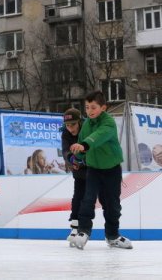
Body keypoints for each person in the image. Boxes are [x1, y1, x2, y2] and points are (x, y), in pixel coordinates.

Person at [69, 90, 132, 250]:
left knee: (112, 204)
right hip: (94, 170)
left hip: (112, 170)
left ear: (103, 108)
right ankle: (83, 231)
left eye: (93, 107)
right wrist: (77, 158)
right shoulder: (86, 125)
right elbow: (82, 145)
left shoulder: (109, 123)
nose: (89, 111)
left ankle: (112, 236)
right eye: (87, 107)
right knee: (87, 199)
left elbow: (98, 136)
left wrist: (84, 145)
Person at [60, 108, 86, 246]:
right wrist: (71, 159)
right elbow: (65, 150)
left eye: (73, 125)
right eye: (68, 125)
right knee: (78, 197)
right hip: (79, 170)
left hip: (95, 169)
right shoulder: (65, 133)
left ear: (80, 122)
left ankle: (111, 233)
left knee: (98, 199)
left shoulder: (87, 128)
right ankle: (75, 227)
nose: (70, 129)